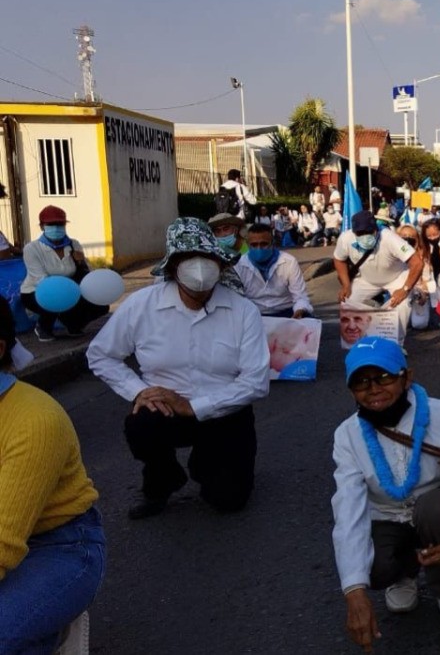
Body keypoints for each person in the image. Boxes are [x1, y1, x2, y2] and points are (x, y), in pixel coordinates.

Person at [87, 218, 271, 519]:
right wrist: (140, 392)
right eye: (188, 260)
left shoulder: (243, 311)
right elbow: (101, 355)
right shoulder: (141, 305)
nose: (199, 269)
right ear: (173, 268)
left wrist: (193, 406)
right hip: (165, 409)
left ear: (221, 264)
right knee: (140, 425)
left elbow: (255, 382)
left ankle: (208, 464)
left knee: (228, 500)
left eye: (207, 260)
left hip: (225, 410)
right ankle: (162, 478)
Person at [333, 336, 440, 644]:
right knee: (368, 567)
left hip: (437, 513)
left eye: (384, 377)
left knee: (435, 509)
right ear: (351, 391)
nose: (373, 389)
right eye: (361, 383)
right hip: (386, 516)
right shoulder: (347, 436)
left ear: (407, 377)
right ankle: (403, 574)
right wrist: (354, 593)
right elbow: (347, 510)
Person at [0, 299, 105, 654]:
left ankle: (51, 620)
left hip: (60, 547)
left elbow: (2, 543)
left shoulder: (33, 420)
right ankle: (42, 629)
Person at [334, 211, 422, 348]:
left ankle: (396, 345)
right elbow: (339, 260)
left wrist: (405, 289)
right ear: (354, 231)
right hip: (367, 280)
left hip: (396, 277)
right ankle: (357, 344)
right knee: (348, 302)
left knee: (402, 304)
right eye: (360, 233)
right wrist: (346, 285)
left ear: (376, 229)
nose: (365, 236)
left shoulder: (389, 237)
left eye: (368, 232)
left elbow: (417, 262)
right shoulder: (345, 238)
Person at [20, 205, 108, 342]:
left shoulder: (73, 244)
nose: (56, 228)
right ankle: (44, 326)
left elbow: (86, 274)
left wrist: (80, 262)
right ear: (42, 226)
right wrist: (65, 293)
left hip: (70, 290)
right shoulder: (32, 248)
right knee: (53, 298)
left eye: (59, 224)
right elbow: (40, 278)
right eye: (51, 224)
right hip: (37, 291)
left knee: (100, 305)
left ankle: (73, 323)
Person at [233, 224, 314, 319]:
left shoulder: (289, 262)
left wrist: (299, 310)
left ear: (272, 243)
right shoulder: (239, 265)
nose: (259, 248)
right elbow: (237, 299)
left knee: (310, 322)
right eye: (254, 245)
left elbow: (300, 296)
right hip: (254, 314)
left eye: (264, 244)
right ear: (247, 244)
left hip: (286, 312)